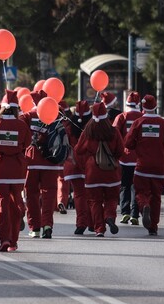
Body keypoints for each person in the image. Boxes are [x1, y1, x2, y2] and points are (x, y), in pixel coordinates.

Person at [124, 95, 164, 236]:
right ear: (156, 106)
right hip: (160, 167)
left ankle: (144, 205)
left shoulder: (138, 123)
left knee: (140, 192)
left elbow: (128, 143)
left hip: (142, 167)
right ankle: (153, 226)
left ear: (142, 107)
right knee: (156, 197)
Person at [74, 102, 124, 237]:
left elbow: (78, 150)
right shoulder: (114, 131)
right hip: (111, 172)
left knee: (94, 201)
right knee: (112, 198)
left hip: (92, 172)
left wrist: (85, 163)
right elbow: (120, 150)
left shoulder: (88, 132)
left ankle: (99, 229)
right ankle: (109, 217)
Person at [0, 90, 32, 252]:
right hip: (17, 170)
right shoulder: (22, 125)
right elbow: (27, 143)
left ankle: (4, 239)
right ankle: (13, 241)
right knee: (15, 205)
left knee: (2, 204)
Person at [21, 90, 63, 239]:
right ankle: (47, 225)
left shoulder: (27, 116)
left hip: (31, 162)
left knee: (31, 195)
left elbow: (20, 135)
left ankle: (35, 228)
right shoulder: (56, 115)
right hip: (51, 162)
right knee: (49, 195)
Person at [63, 100, 93, 234]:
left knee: (79, 195)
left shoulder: (69, 125)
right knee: (92, 196)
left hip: (73, 164)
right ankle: (94, 223)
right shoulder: (93, 126)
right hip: (91, 165)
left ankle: (81, 222)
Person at [112, 91, 142, 225]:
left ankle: (125, 212)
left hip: (124, 158)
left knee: (124, 186)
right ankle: (135, 214)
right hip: (140, 159)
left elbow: (114, 135)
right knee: (137, 187)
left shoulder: (121, 117)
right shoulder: (143, 117)